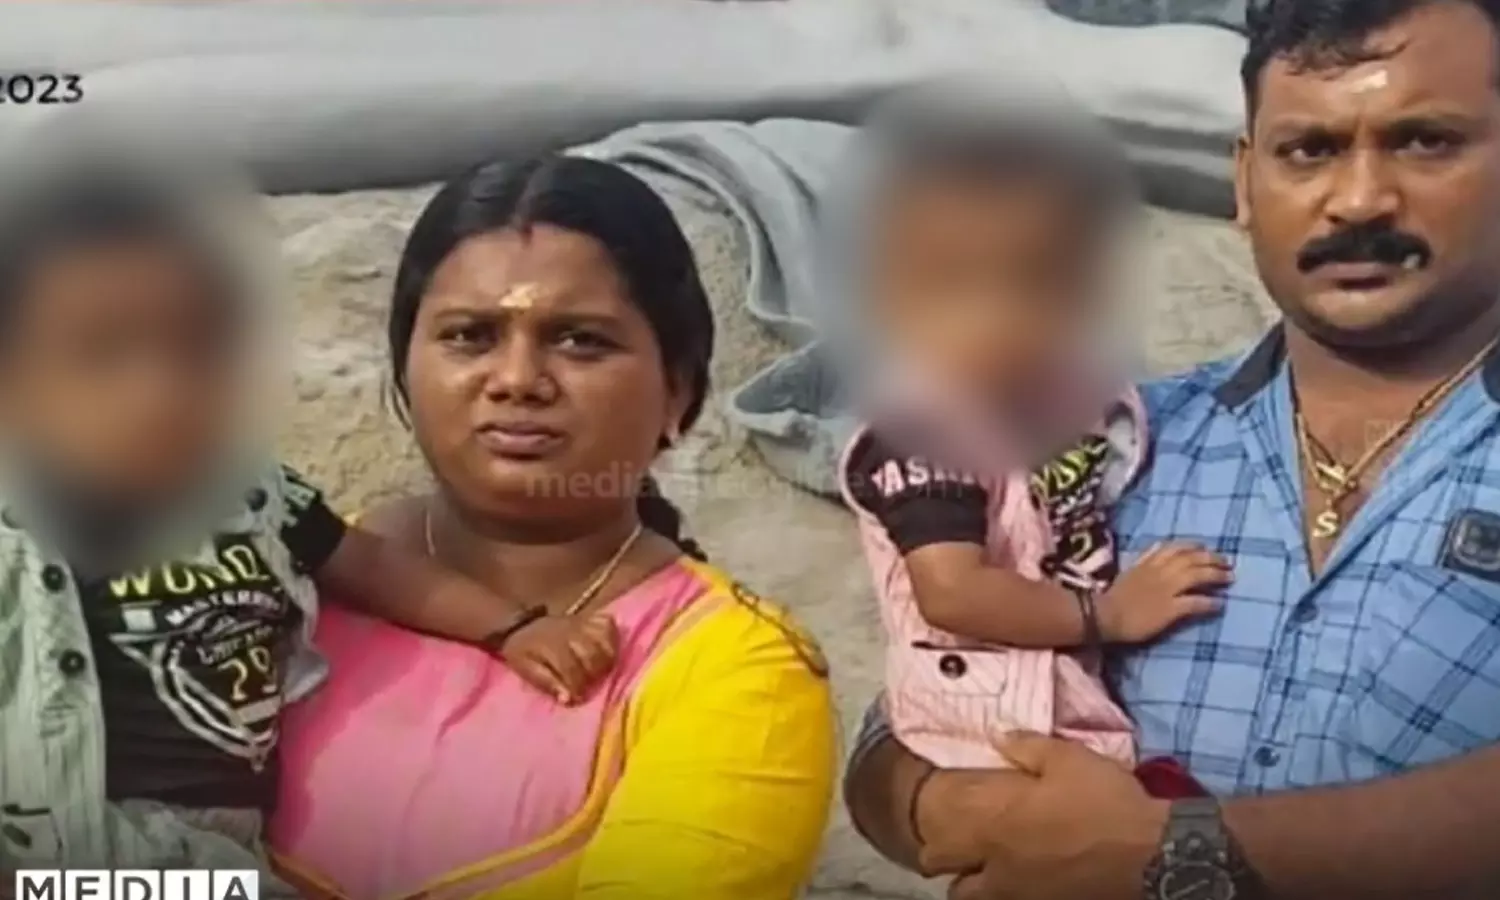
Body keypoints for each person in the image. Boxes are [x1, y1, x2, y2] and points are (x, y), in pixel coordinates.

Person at [842, 1, 1500, 898]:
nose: (1357, 199)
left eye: (1424, 142)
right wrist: (947, 806)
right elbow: (911, 712)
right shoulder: (1110, 442)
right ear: (1245, 183)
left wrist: (1174, 849)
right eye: (1309, 150)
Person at [0, 156, 619, 883]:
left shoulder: (250, 493)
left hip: (217, 854)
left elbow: (373, 564)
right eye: (101, 355)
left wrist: (511, 628)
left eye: (193, 350)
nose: (160, 389)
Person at [268, 155, 838, 900]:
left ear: (678, 390)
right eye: (470, 335)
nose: (516, 380)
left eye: (579, 340)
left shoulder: (736, 670)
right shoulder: (267, 572)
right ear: (404, 369)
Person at [834, 84, 1227, 792]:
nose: (999, 319)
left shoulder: (1080, 402)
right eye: (953, 286)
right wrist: (1109, 613)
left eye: (1037, 283)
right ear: (890, 298)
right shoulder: (920, 430)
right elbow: (952, 593)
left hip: (1071, 699)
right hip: (979, 723)